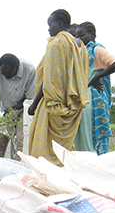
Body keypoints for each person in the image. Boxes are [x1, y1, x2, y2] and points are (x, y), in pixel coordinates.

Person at [27, 9, 89, 165]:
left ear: (60, 24)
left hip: (53, 106)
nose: (49, 29)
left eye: (50, 24)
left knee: (44, 153)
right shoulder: (80, 45)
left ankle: (46, 184)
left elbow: (50, 80)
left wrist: (34, 104)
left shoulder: (56, 44)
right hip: (73, 108)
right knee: (64, 153)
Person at [74, 21, 115, 154]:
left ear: (92, 34)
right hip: (82, 96)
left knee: (88, 135)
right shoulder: (81, 52)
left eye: (82, 35)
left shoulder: (96, 50)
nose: (79, 39)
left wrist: (96, 77)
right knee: (80, 136)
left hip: (91, 98)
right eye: (77, 36)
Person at [0, 53, 36, 158]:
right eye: (3, 74)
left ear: (16, 68)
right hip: (4, 111)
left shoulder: (29, 70)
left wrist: (12, 109)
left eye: (8, 75)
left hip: (22, 110)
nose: (5, 77)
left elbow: (29, 97)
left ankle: (18, 167)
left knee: (21, 142)